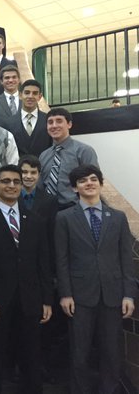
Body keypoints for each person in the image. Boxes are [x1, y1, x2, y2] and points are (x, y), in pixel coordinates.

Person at [0, 165, 52, 394]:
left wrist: (47, 299)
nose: (12, 186)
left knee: (31, 353)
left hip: (30, 298)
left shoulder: (35, 219)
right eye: (6, 181)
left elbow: (43, 263)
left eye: (16, 181)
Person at [55, 164, 136, 394]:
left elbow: (126, 260)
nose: (88, 183)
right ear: (74, 188)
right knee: (79, 353)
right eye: (82, 181)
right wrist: (65, 294)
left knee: (112, 352)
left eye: (93, 179)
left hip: (113, 296)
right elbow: (61, 259)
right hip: (79, 296)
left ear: (100, 184)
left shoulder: (118, 218)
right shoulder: (64, 218)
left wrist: (129, 294)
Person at [38, 107, 99, 209]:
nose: (54, 126)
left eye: (59, 121)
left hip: (74, 209)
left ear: (69, 124)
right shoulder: (43, 156)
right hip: (47, 210)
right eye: (50, 122)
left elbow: (92, 184)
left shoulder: (84, 151)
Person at [4, 79, 51, 157]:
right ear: (20, 95)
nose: (30, 96)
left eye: (35, 93)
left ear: (40, 97)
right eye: (27, 93)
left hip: (43, 167)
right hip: (18, 168)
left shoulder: (48, 120)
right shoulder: (8, 123)